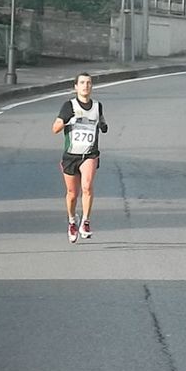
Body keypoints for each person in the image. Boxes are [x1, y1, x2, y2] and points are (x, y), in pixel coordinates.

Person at [52, 72, 108, 243]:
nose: (86, 86)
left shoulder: (97, 106)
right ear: (76, 87)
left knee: (87, 186)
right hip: (70, 155)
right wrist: (67, 121)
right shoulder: (69, 106)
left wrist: (103, 125)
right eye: (82, 83)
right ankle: (71, 221)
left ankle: (85, 222)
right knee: (72, 194)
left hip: (89, 154)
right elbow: (55, 128)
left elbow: (102, 123)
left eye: (89, 83)